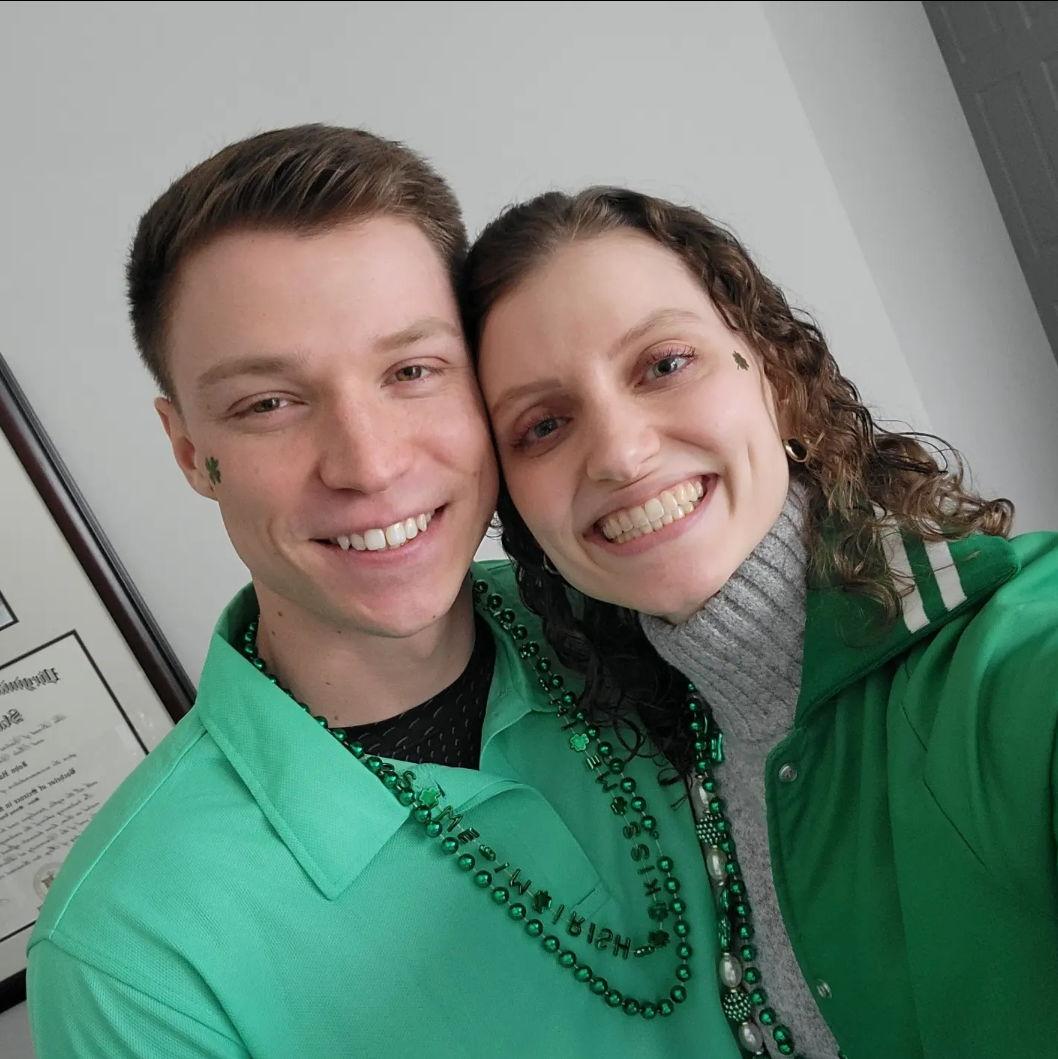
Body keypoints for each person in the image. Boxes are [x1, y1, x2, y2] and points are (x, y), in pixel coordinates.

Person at [26, 131, 742, 1057]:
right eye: (269, 403)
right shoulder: (129, 958)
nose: (368, 464)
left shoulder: (647, 608)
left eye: (411, 371)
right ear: (190, 450)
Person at [463, 186, 1058, 1059]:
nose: (621, 453)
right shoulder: (663, 743)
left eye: (665, 363)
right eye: (544, 424)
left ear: (775, 376)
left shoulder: (1000, 655)